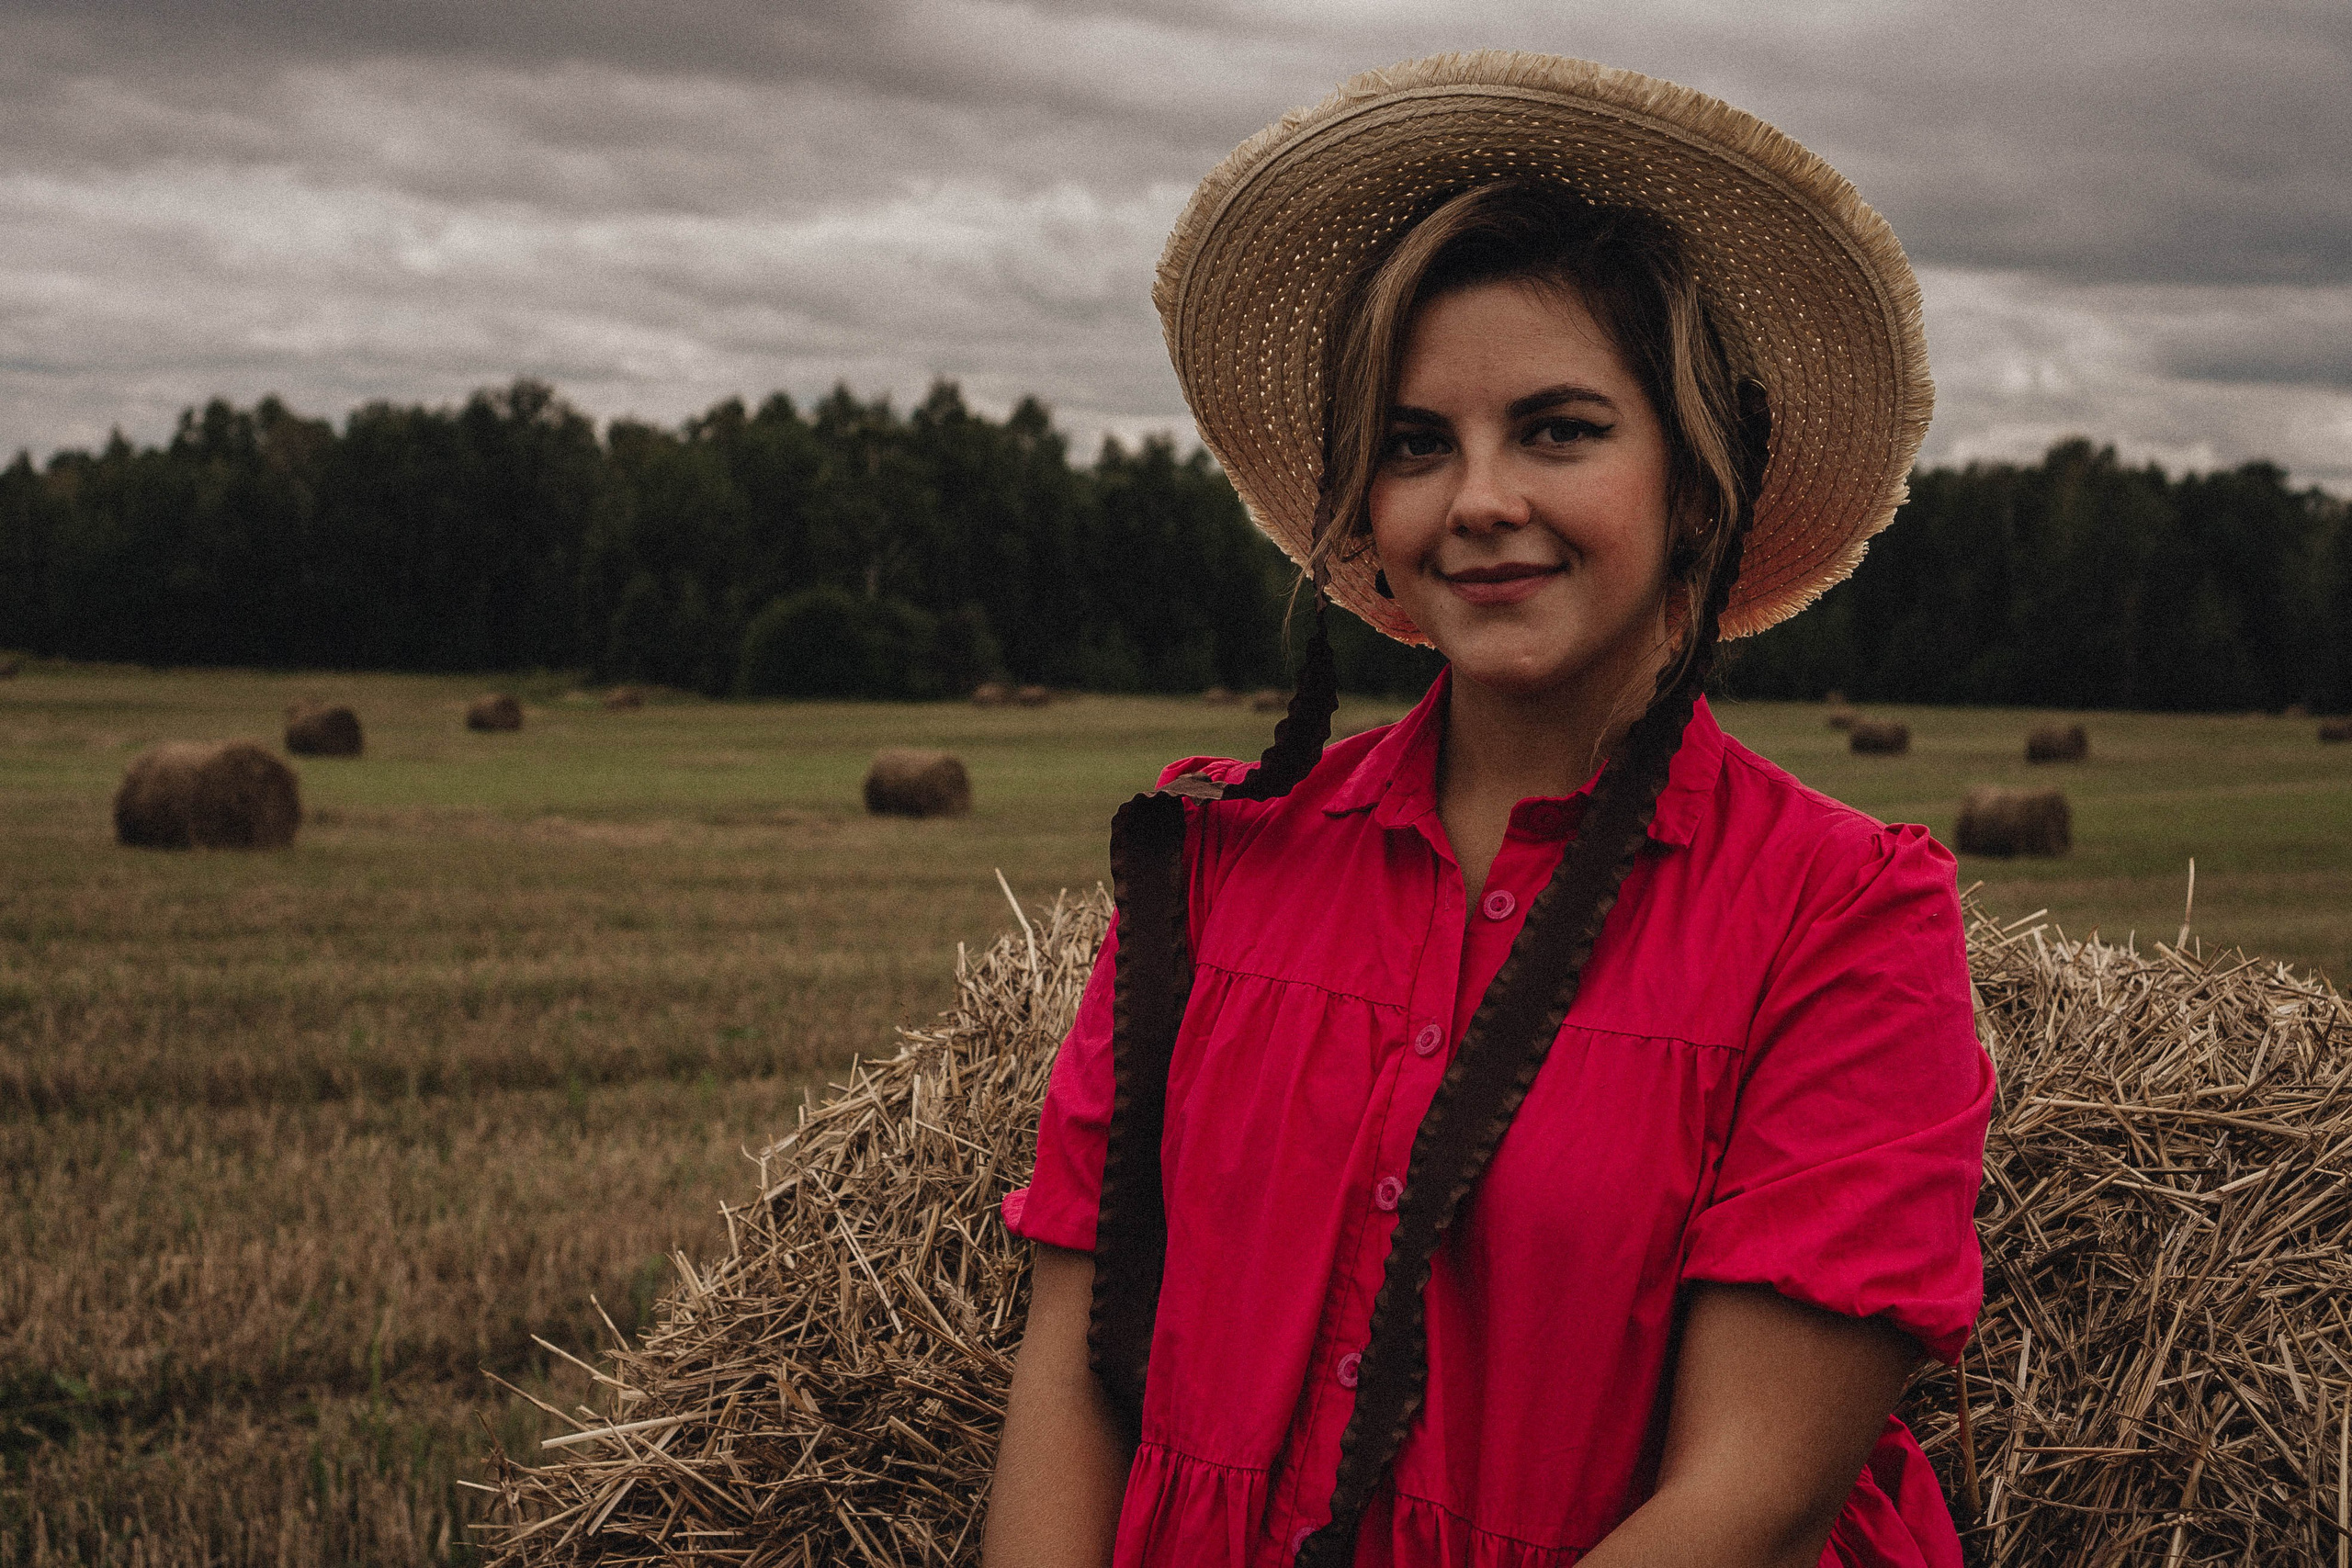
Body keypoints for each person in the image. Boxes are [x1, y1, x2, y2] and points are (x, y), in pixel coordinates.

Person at [983, 51, 1993, 1568]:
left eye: (1559, 429)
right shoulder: (1212, 867)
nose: (1479, 502)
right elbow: (1072, 1368)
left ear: (1698, 488)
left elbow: (1754, 1502)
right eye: (1416, 445)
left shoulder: (1841, 914)